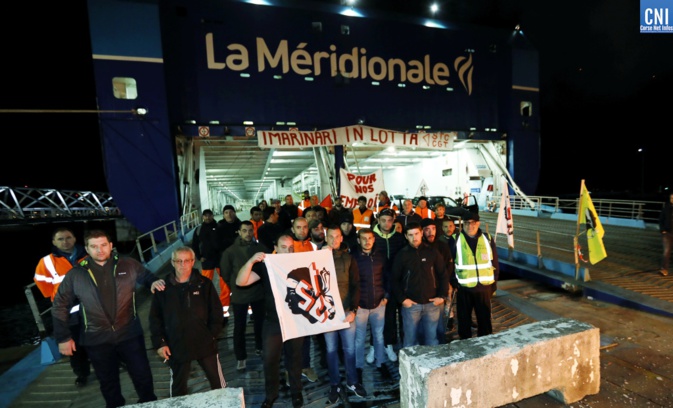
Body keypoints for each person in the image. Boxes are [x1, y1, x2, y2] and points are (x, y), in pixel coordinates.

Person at [52, 229, 165, 408]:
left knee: (142, 375)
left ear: (111, 246)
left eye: (103, 245)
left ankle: (148, 403)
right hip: (96, 339)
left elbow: (148, 276)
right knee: (108, 382)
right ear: (87, 250)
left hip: (129, 334)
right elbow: (59, 305)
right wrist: (64, 337)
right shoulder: (76, 275)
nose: (100, 250)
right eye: (94, 246)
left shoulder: (128, 264)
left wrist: (154, 282)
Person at [236, 233, 305, 408]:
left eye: (291, 248)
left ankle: (296, 393)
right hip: (273, 322)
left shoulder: (300, 263)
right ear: (275, 248)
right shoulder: (267, 267)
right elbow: (241, 281)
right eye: (284, 247)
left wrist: (325, 253)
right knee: (270, 360)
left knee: (295, 359)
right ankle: (271, 395)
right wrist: (251, 261)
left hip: (295, 321)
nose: (288, 251)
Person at [149, 246, 226, 397]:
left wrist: (211, 335)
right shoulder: (162, 288)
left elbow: (217, 313)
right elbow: (155, 319)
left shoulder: (205, 284)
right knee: (178, 387)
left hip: (204, 342)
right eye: (178, 261)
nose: (182, 265)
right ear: (172, 262)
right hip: (176, 344)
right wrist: (160, 343)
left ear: (193, 262)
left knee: (217, 383)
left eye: (186, 261)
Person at [33, 227, 90, 387]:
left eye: (68, 237)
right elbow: (41, 282)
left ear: (74, 238)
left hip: (92, 307)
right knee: (75, 345)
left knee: (102, 339)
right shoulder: (46, 262)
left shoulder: (88, 254)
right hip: (68, 312)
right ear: (54, 242)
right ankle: (82, 374)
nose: (65, 242)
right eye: (60, 239)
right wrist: (56, 296)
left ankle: (113, 363)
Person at [322, 226, 366, 403]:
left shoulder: (349, 258)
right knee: (331, 350)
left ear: (341, 238)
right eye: (330, 236)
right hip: (326, 314)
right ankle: (335, 383)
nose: (334, 240)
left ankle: (352, 382)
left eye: (337, 237)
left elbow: (356, 284)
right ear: (326, 238)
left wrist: (354, 310)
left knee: (349, 349)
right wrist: (320, 255)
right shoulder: (317, 257)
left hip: (346, 312)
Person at [220, 220, 268, 370]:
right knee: (239, 327)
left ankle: (261, 347)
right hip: (240, 296)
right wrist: (235, 286)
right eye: (244, 231)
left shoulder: (261, 248)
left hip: (258, 294)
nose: (248, 233)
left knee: (260, 324)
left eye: (250, 230)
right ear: (239, 232)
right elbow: (225, 273)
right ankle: (241, 357)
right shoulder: (230, 252)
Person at [392, 222, 447, 348]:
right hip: (411, 306)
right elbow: (394, 279)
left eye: (416, 234)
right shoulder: (402, 255)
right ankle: (409, 366)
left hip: (432, 304)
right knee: (410, 341)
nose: (414, 237)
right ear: (406, 236)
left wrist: (442, 296)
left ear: (421, 233)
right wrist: (403, 299)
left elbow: (443, 274)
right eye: (410, 235)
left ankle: (432, 366)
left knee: (432, 340)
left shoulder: (432, 252)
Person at [450, 212, 499, 339]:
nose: (469, 226)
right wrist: (454, 282)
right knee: (464, 321)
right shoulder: (455, 239)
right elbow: (448, 264)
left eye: (473, 223)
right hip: (464, 288)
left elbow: (494, 263)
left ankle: (486, 344)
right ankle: (466, 346)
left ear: (478, 223)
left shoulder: (487, 239)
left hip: (484, 288)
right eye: (466, 223)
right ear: (462, 224)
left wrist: (494, 284)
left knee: (485, 321)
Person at [351, 228, 390, 381]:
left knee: (379, 337)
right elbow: (351, 282)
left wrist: (386, 296)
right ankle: (358, 367)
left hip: (379, 304)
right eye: (364, 238)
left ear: (374, 239)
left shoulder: (380, 256)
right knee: (359, 339)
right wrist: (354, 303)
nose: (367, 241)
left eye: (370, 238)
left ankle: (381, 363)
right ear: (358, 240)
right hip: (360, 306)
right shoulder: (353, 257)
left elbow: (388, 277)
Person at [372, 208, 406, 362]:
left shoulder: (399, 238)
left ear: (394, 221)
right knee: (376, 318)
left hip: (395, 284)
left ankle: (390, 344)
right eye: (383, 220)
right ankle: (375, 346)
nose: (387, 223)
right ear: (378, 220)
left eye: (390, 220)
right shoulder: (371, 237)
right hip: (376, 283)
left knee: (391, 316)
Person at [192, 209, 231, 321]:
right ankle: (207, 307)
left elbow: (225, 241)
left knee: (224, 283)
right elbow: (194, 244)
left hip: (220, 259)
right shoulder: (199, 229)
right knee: (205, 283)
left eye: (209, 215)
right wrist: (199, 257)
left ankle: (224, 308)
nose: (207, 217)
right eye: (205, 216)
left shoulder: (220, 227)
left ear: (213, 215)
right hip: (207, 260)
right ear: (203, 217)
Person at [420, 218, 454, 344]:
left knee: (438, 320)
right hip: (424, 290)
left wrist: (445, 285)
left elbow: (449, 266)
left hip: (439, 290)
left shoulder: (442, 246)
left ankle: (440, 342)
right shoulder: (419, 247)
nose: (431, 232)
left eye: (433, 229)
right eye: (427, 230)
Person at [660, 192, 673, 276]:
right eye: (671, 198)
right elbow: (661, 219)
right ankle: (664, 269)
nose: (672, 199)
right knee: (666, 251)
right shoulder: (666, 208)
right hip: (667, 233)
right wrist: (662, 230)